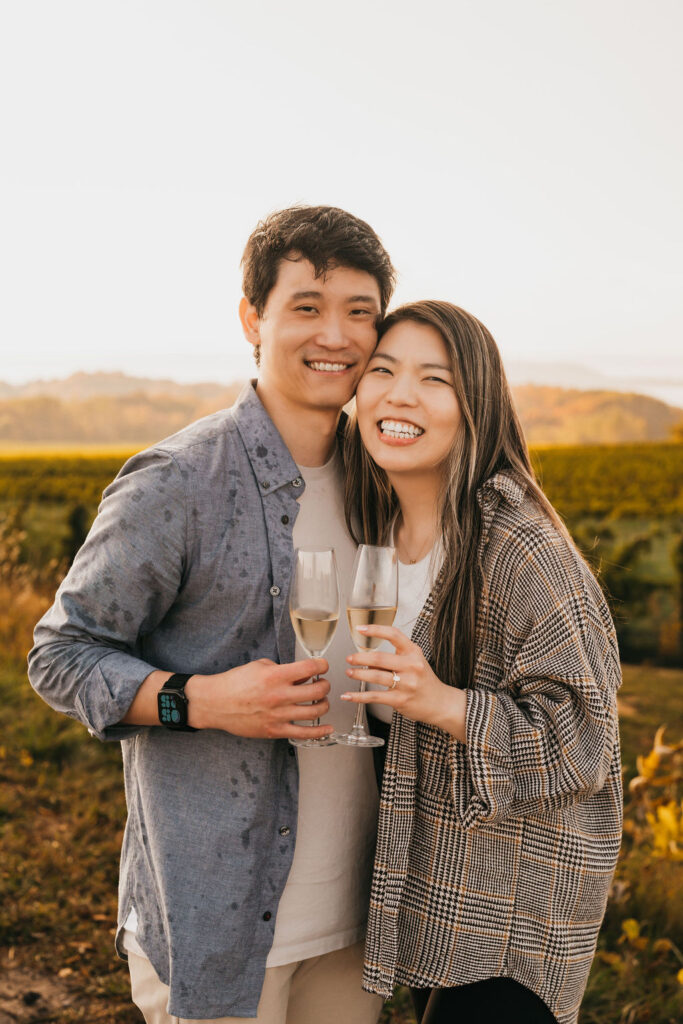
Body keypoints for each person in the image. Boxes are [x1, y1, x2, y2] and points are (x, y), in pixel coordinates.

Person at [27, 205, 395, 1024]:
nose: (334, 334)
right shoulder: (179, 482)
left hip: (357, 920)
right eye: (307, 306)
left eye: (358, 311)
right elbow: (60, 654)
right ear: (251, 319)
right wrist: (200, 701)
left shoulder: (386, 479)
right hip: (219, 926)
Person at [340, 301, 623, 1024]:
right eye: (383, 371)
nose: (400, 395)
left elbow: (584, 743)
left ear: (476, 407)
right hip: (438, 890)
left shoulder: (522, 547)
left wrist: (441, 701)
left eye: (434, 379)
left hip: (512, 911)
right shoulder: (376, 527)